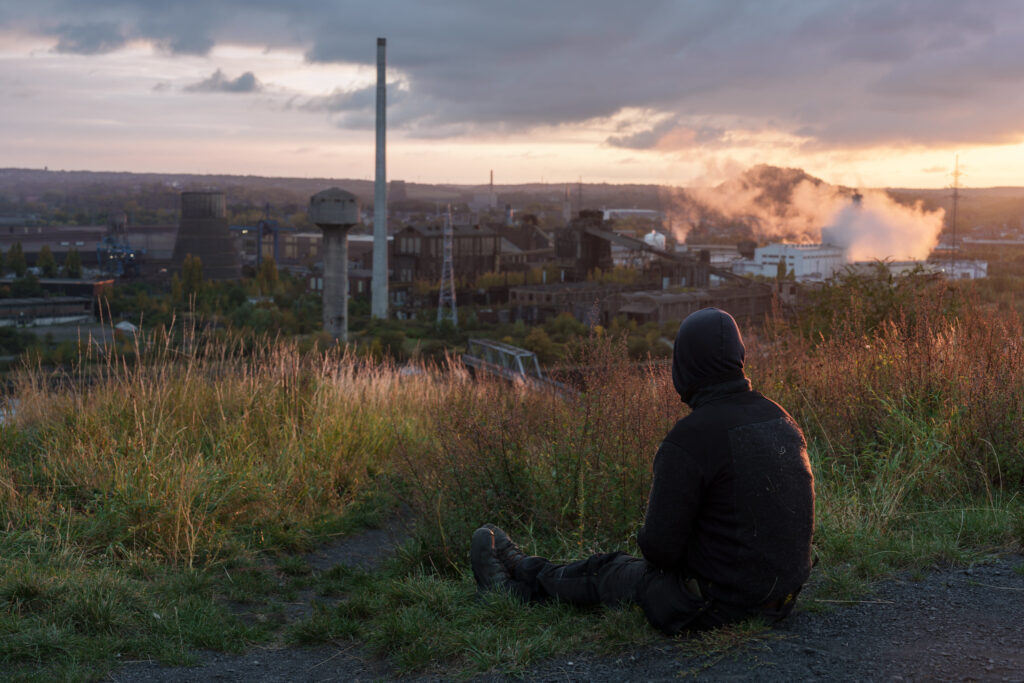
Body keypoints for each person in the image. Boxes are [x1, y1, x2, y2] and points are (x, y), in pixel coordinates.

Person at [471, 307, 815, 634]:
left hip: (717, 606)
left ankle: (517, 585)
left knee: (609, 571)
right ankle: (521, 570)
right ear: (738, 356)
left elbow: (659, 550)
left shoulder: (691, 438)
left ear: (684, 364)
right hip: (780, 600)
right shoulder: (780, 417)